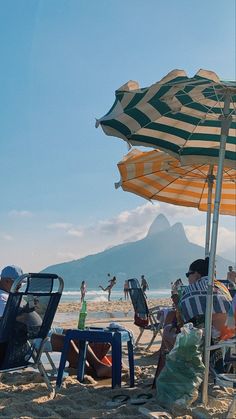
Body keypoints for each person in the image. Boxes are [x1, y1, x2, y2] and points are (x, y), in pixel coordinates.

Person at [0, 265, 112, 378]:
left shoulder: (10, 294)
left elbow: (20, 314)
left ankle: (95, 365)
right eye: (18, 283)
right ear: (7, 281)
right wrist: (27, 312)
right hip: (27, 337)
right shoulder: (2, 298)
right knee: (66, 341)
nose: (20, 286)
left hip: (38, 329)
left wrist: (31, 309)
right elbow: (12, 320)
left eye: (21, 284)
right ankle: (92, 371)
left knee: (74, 334)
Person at [153, 257, 233, 383]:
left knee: (168, 330)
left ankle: (181, 370)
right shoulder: (223, 288)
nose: (188, 278)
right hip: (229, 339)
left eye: (188, 274)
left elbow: (182, 322)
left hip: (202, 343)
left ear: (196, 274)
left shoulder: (189, 291)